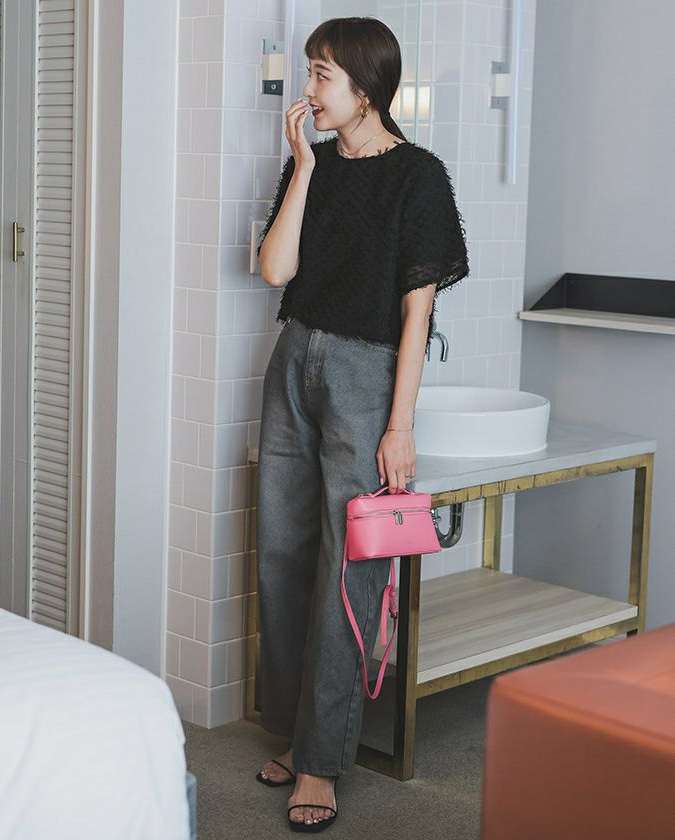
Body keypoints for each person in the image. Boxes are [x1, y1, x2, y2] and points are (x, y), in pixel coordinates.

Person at [254, 16, 470, 832]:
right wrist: (305, 167)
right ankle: (294, 731)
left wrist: (399, 424)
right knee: (282, 552)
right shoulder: (311, 165)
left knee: (348, 568)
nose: (309, 90)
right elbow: (275, 269)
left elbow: (418, 313)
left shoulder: (418, 176)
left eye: (321, 75)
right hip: (293, 360)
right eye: (310, 72)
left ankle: (320, 761)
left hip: (364, 375)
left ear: (365, 89)